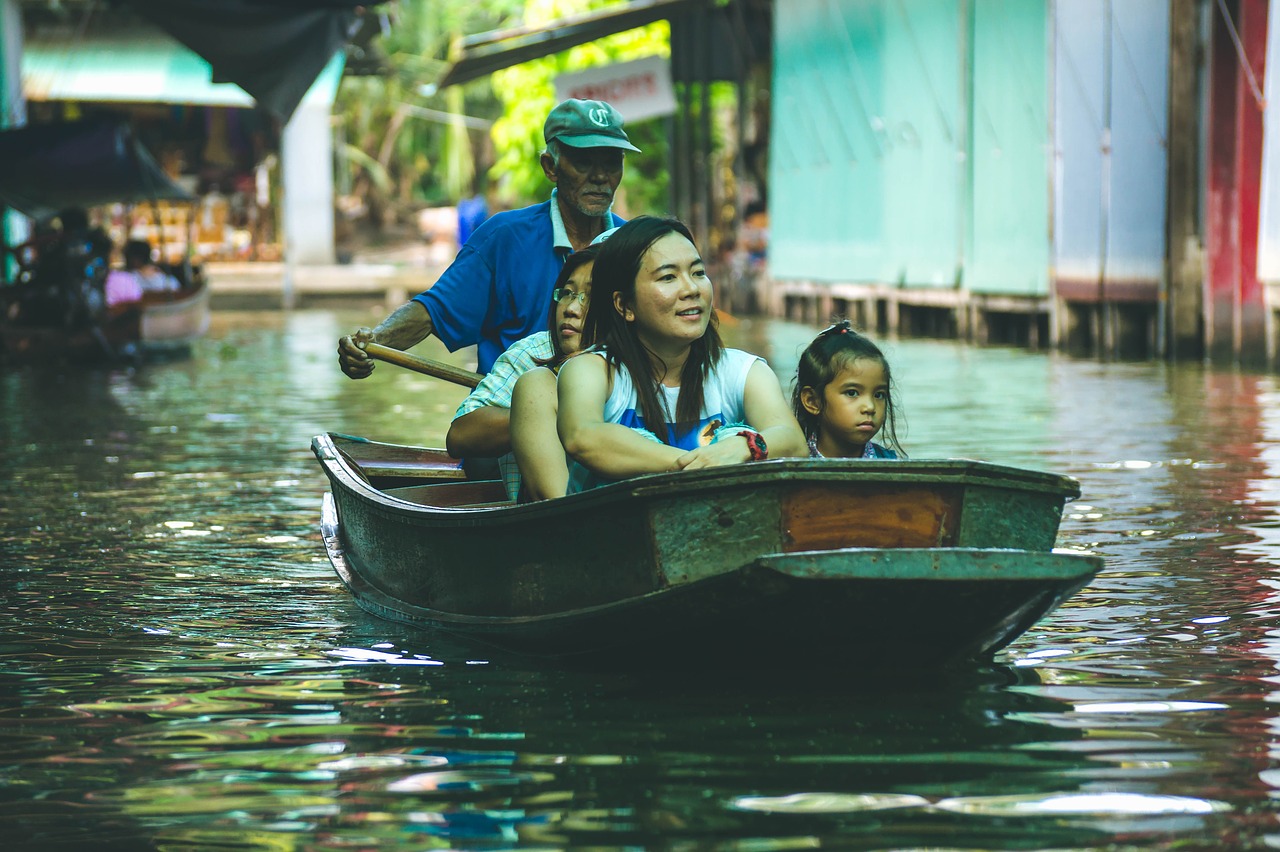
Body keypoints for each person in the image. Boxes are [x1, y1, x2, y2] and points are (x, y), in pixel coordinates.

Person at [336, 98, 639, 379]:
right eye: (584, 162)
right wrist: (373, 344)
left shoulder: (634, 247)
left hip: (605, 421)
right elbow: (433, 311)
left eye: (612, 163)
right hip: (508, 416)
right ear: (550, 167)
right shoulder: (504, 238)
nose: (601, 177)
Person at [544, 216, 807, 497]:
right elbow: (582, 436)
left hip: (719, 531)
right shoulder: (591, 369)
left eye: (697, 272)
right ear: (625, 305)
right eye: (668, 277)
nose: (692, 289)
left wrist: (743, 447)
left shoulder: (744, 372)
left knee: (734, 437)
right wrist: (698, 465)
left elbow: (792, 441)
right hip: (611, 533)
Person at [447, 247, 598, 501]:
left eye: (590, 296)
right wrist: (544, 413)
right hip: (549, 518)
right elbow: (460, 435)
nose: (571, 308)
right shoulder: (535, 352)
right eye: (568, 293)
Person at [792, 319, 903, 459]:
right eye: (852, 393)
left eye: (879, 395)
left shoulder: (891, 465)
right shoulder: (795, 463)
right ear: (813, 401)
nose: (870, 407)